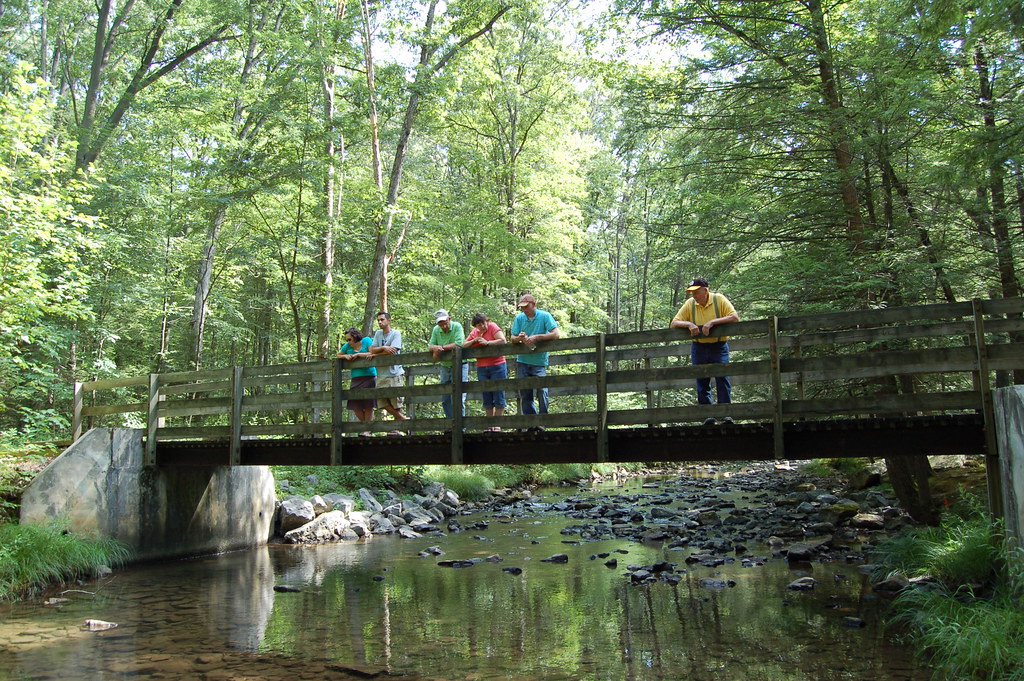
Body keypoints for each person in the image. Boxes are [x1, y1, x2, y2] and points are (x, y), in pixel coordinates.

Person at [670, 277, 739, 425]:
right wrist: (689, 324)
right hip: (699, 347)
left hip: (719, 346)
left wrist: (713, 322)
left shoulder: (718, 299)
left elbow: (734, 317)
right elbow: (674, 323)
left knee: (722, 378)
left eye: (696, 292)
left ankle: (726, 414)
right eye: (691, 293)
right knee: (702, 379)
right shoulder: (690, 304)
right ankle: (707, 415)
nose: (694, 296)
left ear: (705, 290)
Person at [510, 294, 560, 426]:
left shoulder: (544, 316)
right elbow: (512, 338)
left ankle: (543, 421)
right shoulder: (519, 318)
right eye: (523, 307)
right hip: (523, 360)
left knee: (542, 391)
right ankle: (532, 423)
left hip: (539, 361)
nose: (524, 309)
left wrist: (537, 337)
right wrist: (520, 338)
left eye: (527, 306)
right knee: (525, 393)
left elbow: (556, 334)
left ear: (534, 304)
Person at [463, 313, 507, 431]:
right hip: (482, 367)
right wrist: (475, 340)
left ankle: (497, 425)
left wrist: (487, 343)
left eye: (483, 323)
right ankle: (489, 425)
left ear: (487, 321)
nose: (482, 326)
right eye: (479, 324)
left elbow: (502, 340)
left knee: (499, 394)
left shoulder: (493, 326)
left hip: (497, 365)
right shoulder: (475, 333)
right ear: (476, 326)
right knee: (486, 395)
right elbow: (463, 345)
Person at [369, 312, 410, 428]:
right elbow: (372, 349)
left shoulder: (396, 334)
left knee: (396, 402)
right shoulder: (378, 333)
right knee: (381, 402)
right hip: (381, 374)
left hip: (394, 372)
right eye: (378, 320)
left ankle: (397, 428)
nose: (380, 322)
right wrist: (383, 347)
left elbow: (392, 352)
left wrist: (377, 353)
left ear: (389, 320)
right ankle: (404, 421)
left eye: (382, 320)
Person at [428, 309, 469, 418]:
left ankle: (460, 426)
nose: (444, 326)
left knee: (458, 397)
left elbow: (459, 343)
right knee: (445, 398)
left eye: (445, 323)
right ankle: (450, 424)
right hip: (445, 366)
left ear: (449, 319)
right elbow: (430, 346)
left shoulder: (457, 326)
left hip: (460, 365)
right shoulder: (436, 330)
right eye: (441, 324)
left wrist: (442, 348)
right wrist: (436, 348)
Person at [337, 327, 376, 436]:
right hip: (356, 377)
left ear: (355, 337)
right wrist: (346, 356)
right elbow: (338, 355)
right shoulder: (347, 346)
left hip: (369, 375)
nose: (348, 342)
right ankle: (366, 425)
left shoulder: (367, 340)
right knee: (354, 404)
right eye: (347, 340)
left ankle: (367, 430)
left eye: (349, 339)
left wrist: (358, 355)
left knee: (368, 403)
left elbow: (372, 352)